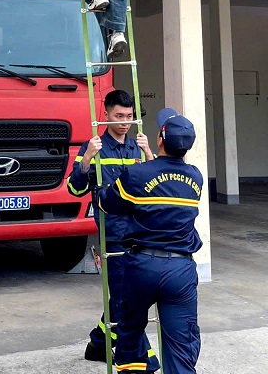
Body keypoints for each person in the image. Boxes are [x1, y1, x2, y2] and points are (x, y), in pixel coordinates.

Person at [97, 108, 204, 374]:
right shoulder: (195, 178)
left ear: (160, 140)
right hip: (180, 270)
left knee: (130, 334)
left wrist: (99, 186)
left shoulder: (138, 174)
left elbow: (108, 205)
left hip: (141, 266)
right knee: (181, 344)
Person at [67, 90, 158, 367]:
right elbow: (74, 189)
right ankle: (145, 361)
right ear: (105, 114)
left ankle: (98, 342)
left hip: (139, 233)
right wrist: (86, 161)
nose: (124, 122)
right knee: (125, 297)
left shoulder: (136, 148)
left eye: (129, 117)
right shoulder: (93, 147)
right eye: (119, 116)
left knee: (124, 295)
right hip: (112, 235)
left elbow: (157, 187)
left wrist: (149, 153)